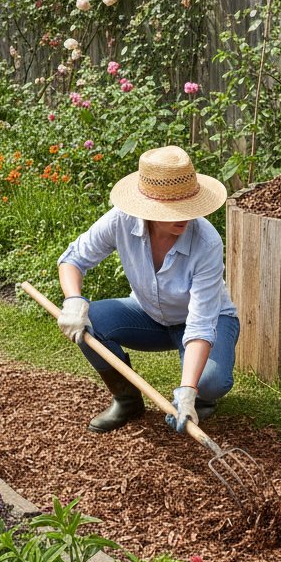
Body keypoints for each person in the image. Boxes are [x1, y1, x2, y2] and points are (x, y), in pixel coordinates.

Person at [56, 145, 240, 436]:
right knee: (89, 327)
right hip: (149, 314)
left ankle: (199, 400)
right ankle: (127, 401)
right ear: (150, 208)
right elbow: (73, 259)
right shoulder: (121, 220)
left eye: (189, 205)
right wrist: (74, 300)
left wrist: (188, 388)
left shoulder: (206, 242)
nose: (185, 216)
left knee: (211, 380)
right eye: (174, 209)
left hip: (210, 321)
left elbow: (201, 323)